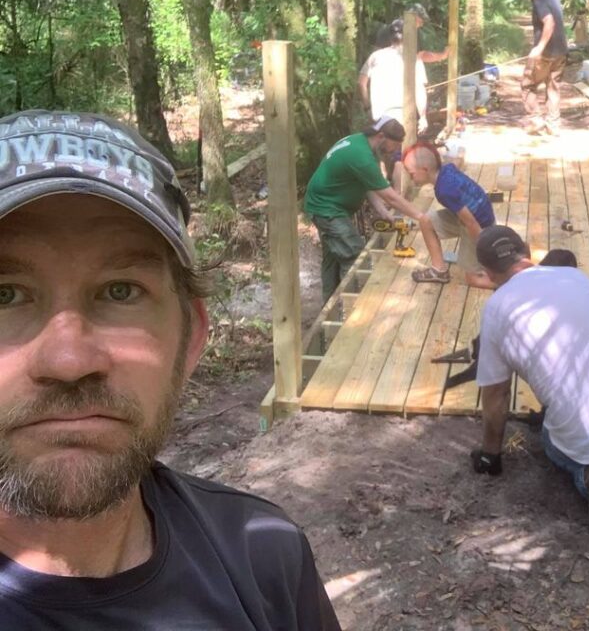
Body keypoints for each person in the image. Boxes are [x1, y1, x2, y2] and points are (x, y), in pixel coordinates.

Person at [0, 110, 340, 628]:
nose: (70, 362)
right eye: (5, 296)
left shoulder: (265, 556)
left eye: (121, 291)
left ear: (191, 337)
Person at [468, 226, 589, 544]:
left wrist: (490, 455)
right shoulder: (575, 278)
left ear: (488, 274)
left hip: (583, 440)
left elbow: (496, 393)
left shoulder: (496, 308)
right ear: (528, 252)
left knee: (560, 444)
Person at [304, 116, 429, 303]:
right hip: (327, 209)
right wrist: (421, 216)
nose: (394, 150)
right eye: (394, 145)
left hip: (327, 206)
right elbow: (390, 196)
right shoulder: (360, 155)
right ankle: (351, 310)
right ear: (381, 136)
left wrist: (384, 213)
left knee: (333, 259)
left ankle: (329, 305)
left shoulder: (359, 143)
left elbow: (368, 185)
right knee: (354, 255)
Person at [401, 142, 496, 287]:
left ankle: (510, 283)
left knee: (473, 279)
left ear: (425, 169)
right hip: (471, 218)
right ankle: (439, 271)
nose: (411, 178)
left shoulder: (444, 191)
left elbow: (470, 222)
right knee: (426, 221)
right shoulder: (446, 169)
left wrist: (487, 251)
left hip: (479, 227)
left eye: (411, 173)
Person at [519, 0, 569, 136]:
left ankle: (536, 120)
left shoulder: (539, 0)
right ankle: (553, 126)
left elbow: (550, 22)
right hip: (561, 51)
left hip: (546, 54)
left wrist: (539, 48)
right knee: (553, 88)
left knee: (527, 85)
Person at [358, 19, 428, 133]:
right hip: (403, 118)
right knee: (401, 149)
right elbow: (419, 89)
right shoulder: (414, 59)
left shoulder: (375, 56)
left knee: (381, 147)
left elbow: (361, 84)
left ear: (391, 37)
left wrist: (368, 108)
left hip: (379, 118)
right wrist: (423, 117)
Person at [373, 3, 448, 64]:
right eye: (420, 21)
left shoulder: (389, 28)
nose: (421, 25)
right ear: (413, 17)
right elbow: (421, 56)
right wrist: (441, 56)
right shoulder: (408, 30)